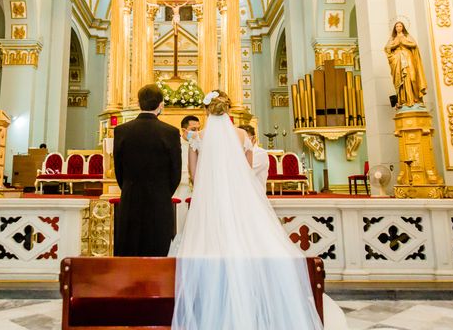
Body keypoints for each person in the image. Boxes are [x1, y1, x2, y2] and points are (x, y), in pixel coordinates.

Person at [170, 90, 323, 329]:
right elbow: (248, 170)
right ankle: (256, 299)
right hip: (240, 197)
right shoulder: (242, 135)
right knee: (248, 240)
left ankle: (215, 303)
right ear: (229, 109)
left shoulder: (197, 137)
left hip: (210, 197)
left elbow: (194, 175)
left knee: (211, 246)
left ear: (207, 110)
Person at [113, 84, 182, 256]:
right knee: (157, 244)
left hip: (130, 194)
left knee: (130, 244)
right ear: (161, 104)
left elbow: (118, 168)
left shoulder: (122, 130)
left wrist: (129, 186)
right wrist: (164, 191)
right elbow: (176, 171)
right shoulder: (170, 132)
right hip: (160, 197)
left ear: (138, 103)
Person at [384, 21, 427, 108]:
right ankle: (403, 100)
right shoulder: (393, 38)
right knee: (402, 81)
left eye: (400, 26)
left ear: (403, 27)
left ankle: (416, 99)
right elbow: (387, 48)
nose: (399, 28)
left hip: (408, 57)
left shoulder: (407, 36)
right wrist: (395, 45)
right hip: (398, 60)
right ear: (395, 28)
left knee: (413, 78)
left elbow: (414, 44)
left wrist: (404, 43)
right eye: (397, 26)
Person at [175, 115, 200, 232]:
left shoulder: (200, 144)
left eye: (198, 129)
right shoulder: (175, 145)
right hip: (180, 189)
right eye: (193, 130)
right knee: (181, 221)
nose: (197, 133)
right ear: (184, 130)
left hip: (197, 189)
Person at [239, 124, 269, 194]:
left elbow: (245, 173)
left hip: (256, 194)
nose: (243, 142)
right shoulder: (240, 152)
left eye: (246, 139)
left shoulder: (260, 153)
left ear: (254, 138)